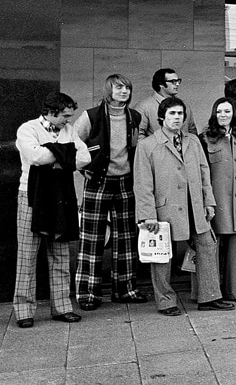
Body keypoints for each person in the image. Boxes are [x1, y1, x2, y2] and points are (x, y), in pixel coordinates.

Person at [135, 97, 233, 315]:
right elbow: (142, 184)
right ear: (161, 117)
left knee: (207, 245)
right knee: (162, 256)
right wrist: (147, 215)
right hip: (164, 208)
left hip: (194, 205)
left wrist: (209, 202)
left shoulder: (193, 141)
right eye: (172, 113)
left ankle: (209, 297)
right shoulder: (147, 145)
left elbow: (204, 173)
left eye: (180, 113)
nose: (177, 118)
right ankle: (166, 302)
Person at [72, 74, 150, 311]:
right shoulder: (91, 116)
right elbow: (73, 143)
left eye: (127, 88)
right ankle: (88, 293)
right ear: (109, 90)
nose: (124, 91)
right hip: (98, 182)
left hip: (126, 182)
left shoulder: (134, 117)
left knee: (126, 239)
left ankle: (125, 289)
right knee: (91, 239)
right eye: (119, 87)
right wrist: (83, 168)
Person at [13, 92, 89, 327]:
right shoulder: (28, 129)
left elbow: (85, 157)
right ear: (51, 112)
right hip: (31, 195)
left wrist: (54, 155)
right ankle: (24, 310)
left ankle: (62, 307)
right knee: (27, 255)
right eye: (65, 116)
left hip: (60, 196)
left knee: (60, 253)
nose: (68, 120)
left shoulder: (69, 130)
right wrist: (65, 156)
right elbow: (34, 156)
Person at [201, 96, 236, 302]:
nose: (223, 115)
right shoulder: (205, 138)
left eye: (227, 111)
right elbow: (201, 172)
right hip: (216, 200)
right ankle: (211, 293)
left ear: (233, 113)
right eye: (219, 111)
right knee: (211, 246)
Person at [135, 67, 196, 135]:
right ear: (161, 84)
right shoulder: (144, 107)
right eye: (173, 81)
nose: (177, 84)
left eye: (178, 81)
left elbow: (192, 131)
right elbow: (138, 136)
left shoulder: (184, 105)